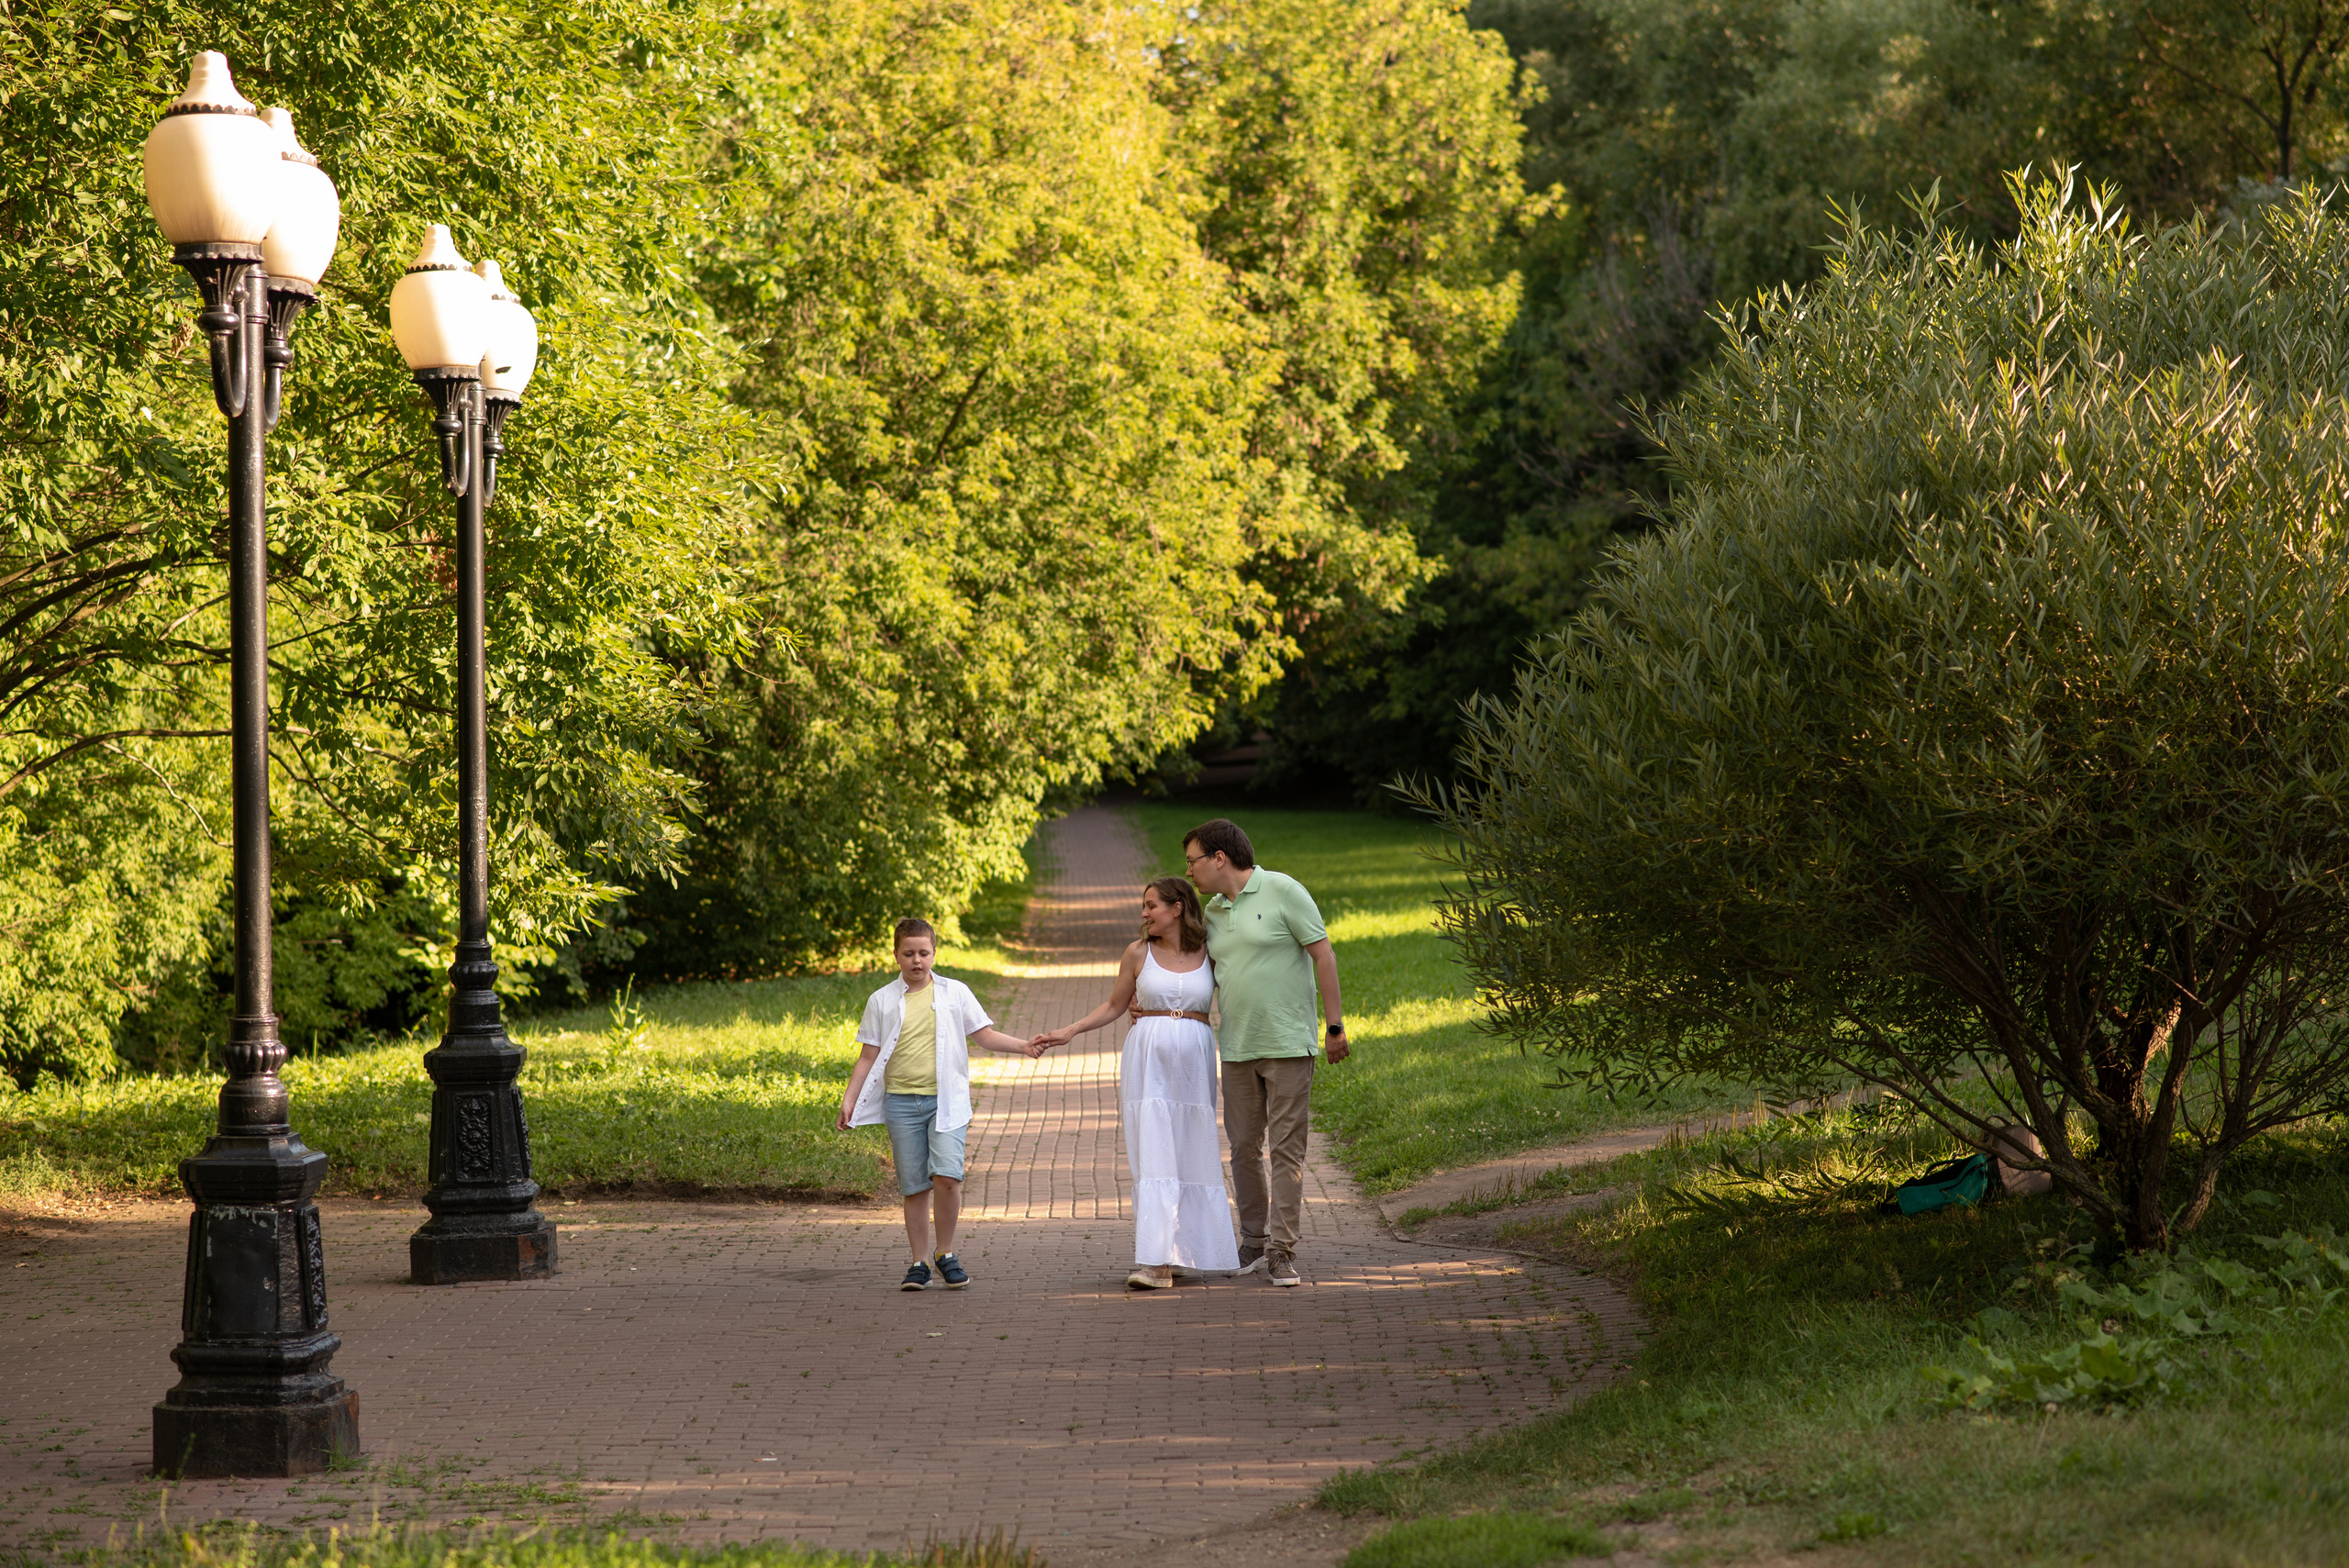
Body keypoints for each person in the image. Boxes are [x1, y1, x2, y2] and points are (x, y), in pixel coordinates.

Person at [1034, 878, 1242, 1288]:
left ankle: (1183, 1252)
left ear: (1178, 907)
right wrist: (1070, 1031)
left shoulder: (1210, 950)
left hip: (1195, 1062)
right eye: (1143, 907)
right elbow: (1115, 1004)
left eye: (1151, 906)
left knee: (1191, 1149)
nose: (1144, 914)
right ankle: (1157, 1261)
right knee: (1154, 1152)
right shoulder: (1137, 953)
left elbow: (1242, 987)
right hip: (1148, 1060)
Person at [838, 917, 1045, 1290]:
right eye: (909, 954)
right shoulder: (881, 1000)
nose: (917, 960)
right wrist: (849, 1099)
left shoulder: (955, 993)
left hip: (946, 1101)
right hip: (901, 1104)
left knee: (947, 1177)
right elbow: (868, 1056)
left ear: (934, 953)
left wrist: (1024, 1046)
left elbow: (983, 1035)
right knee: (914, 1186)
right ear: (896, 955)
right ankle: (918, 1261)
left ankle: (945, 1254)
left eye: (924, 953)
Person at [1181, 818, 1345, 1287]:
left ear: (1219, 858)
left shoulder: (1284, 890)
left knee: (1286, 1151)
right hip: (1236, 1047)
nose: (1189, 870)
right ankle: (1252, 1241)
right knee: (1243, 1148)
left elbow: (1324, 955)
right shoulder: (1211, 913)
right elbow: (1196, 973)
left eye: (1193, 859)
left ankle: (1281, 1249)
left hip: (1289, 1044)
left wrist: (1334, 1027)